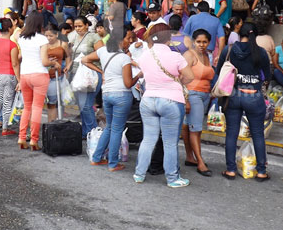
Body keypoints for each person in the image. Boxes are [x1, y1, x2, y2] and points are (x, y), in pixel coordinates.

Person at [133, 23, 194, 187]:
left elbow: (145, 73)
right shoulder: (176, 57)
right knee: (169, 142)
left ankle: (139, 174)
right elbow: (190, 76)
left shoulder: (144, 56)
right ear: (169, 38)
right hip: (171, 101)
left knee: (148, 139)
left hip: (148, 100)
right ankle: (172, 178)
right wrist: (177, 81)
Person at [216, 22, 271, 181]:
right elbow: (267, 76)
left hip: (233, 94)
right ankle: (261, 172)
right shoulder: (260, 52)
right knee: (258, 134)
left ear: (240, 34)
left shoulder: (229, 49)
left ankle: (231, 170)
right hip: (254, 96)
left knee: (232, 133)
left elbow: (220, 70)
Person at [83, 34, 141, 171]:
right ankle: (113, 163)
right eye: (128, 39)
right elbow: (128, 84)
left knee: (109, 127)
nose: (130, 42)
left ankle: (97, 158)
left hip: (107, 94)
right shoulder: (124, 58)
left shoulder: (103, 51)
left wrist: (101, 72)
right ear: (120, 41)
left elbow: (85, 60)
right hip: (121, 95)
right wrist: (138, 76)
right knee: (117, 129)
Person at [17, 12, 62, 150]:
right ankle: (34, 139)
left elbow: (21, 56)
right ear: (39, 23)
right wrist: (53, 63)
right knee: (37, 108)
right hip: (39, 75)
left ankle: (22, 137)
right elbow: (44, 61)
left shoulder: (21, 38)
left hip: (25, 75)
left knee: (27, 107)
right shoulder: (42, 39)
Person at [181, 29, 214, 176]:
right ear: (194, 42)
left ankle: (190, 157)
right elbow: (181, 77)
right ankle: (200, 162)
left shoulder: (207, 56)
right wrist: (186, 99)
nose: (201, 45)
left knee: (189, 127)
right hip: (193, 94)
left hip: (205, 95)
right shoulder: (189, 55)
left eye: (205, 42)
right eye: (199, 42)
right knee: (196, 129)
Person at [67, 16, 104, 137]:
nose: (77, 29)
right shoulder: (74, 37)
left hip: (91, 74)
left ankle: (93, 132)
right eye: (76, 26)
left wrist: (86, 59)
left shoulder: (94, 37)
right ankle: (86, 132)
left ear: (86, 25)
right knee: (81, 105)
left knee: (87, 105)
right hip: (77, 75)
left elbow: (101, 53)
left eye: (80, 26)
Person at [0, 18, 20, 135]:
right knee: (7, 102)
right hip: (9, 74)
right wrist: (19, 79)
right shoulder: (12, 45)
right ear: (10, 29)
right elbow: (15, 63)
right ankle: (5, 129)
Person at [44, 24, 71, 122]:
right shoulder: (43, 45)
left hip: (56, 77)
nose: (48, 38)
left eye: (50, 36)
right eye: (46, 36)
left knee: (53, 102)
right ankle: (50, 124)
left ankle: (53, 123)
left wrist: (67, 67)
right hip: (44, 76)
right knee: (48, 103)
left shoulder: (62, 44)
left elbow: (68, 56)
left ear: (56, 34)